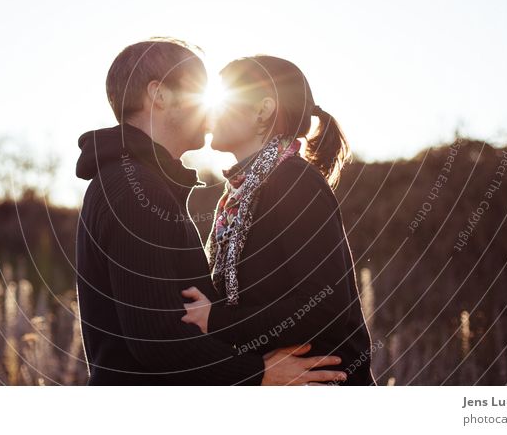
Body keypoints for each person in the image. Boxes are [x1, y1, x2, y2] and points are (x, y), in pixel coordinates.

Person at [75, 39, 348, 385]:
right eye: (197, 89)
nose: (208, 108)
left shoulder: (157, 187)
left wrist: (226, 329)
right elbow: (156, 340)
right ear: (159, 95)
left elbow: (323, 301)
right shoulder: (133, 189)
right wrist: (258, 375)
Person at [180, 55, 377, 385]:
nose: (208, 110)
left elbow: (325, 303)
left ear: (263, 110)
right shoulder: (237, 196)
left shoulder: (293, 183)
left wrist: (218, 320)